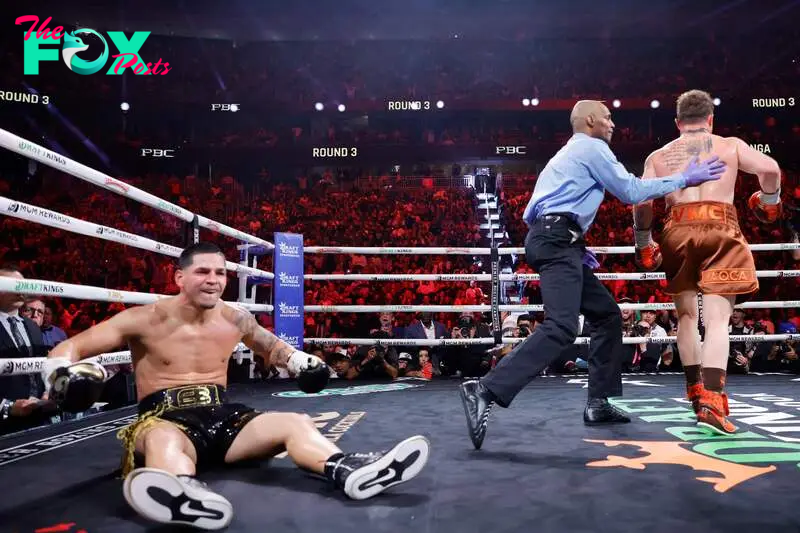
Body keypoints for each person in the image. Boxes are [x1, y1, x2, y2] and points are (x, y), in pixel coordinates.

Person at [42, 243, 430, 530]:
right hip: (165, 418)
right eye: (202, 272)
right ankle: (183, 493)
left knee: (293, 422)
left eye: (220, 273)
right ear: (179, 277)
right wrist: (61, 372)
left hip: (225, 417)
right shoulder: (143, 319)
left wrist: (301, 362)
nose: (213, 280)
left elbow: (273, 348)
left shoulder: (235, 319)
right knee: (163, 441)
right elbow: (69, 345)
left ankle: (347, 470)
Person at [459, 100, 727, 450]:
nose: (613, 124)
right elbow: (630, 191)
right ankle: (485, 389)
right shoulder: (591, 146)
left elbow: (530, 214)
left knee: (607, 316)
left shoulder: (565, 155)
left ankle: (600, 402)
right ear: (589, 121)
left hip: (555, 239)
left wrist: (571, 240)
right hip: (556, 241)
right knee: (562, 325)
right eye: (608, 117)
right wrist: (685, 178)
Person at [632, 89, 782, 435]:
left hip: (676, 229)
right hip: (720, 228)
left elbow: (641, 203)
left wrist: (644, 242)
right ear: (710, 120)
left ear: (677, 123)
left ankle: (695, 393)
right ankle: (713, 400)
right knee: (717, 319)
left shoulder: (660, 155)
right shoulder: (728, 145)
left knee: (686, 316)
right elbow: (771, 169)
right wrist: (768, 200)